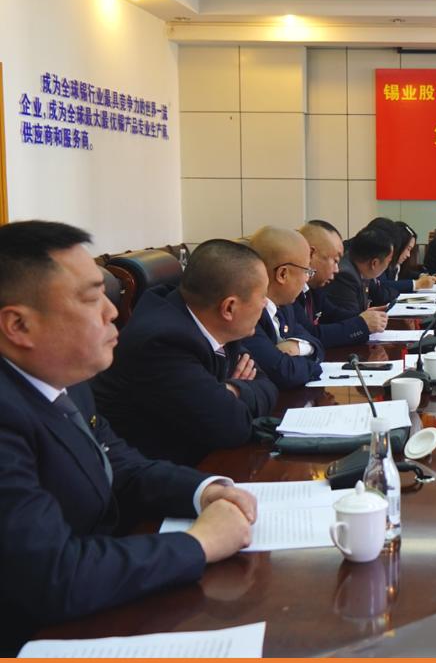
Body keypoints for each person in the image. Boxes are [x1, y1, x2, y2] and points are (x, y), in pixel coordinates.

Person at [0, 221, 255, 653]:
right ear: (18, 325)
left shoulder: (68, 381)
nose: (112, 312)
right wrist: (200, 543)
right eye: (91, 298)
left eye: (107, 294)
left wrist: (202, 490)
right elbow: (52, 575)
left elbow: (116, 462)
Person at [93, 239, 278, 466]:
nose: (265, 304)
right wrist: (232, 394)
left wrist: (233, 390)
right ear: (229, 307)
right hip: (153, 475)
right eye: (262, 296)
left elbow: (268, 384)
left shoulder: (214, 323)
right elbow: (232, 428)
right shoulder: (162, 342)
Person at [242, 226, 325, 389]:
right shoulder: (247, 312)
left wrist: (297, 347)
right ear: (282, 274)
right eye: (306, 271)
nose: (307, 279)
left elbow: (316, 343)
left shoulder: (286, 305)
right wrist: (313, 367)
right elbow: (283, 373)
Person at [294, 220, 386, 346]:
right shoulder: (289, 291)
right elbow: (309, 336)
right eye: (335, 261)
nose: (337, 269)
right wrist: (361, 324)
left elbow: (332, 314)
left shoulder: (314, 287)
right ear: (311, 254)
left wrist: (364, 316)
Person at [366, 219, 436, 303]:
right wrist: (416, 284)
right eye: (408, 249)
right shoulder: (381, 262)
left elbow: (404, 274)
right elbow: (381, 286)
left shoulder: (396, 265)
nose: (408, 255)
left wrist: (422, 276)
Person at [324, 226, 394, 316]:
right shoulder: (346, 276)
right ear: (374, 263)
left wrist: (366, 315)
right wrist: (364, 318)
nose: (388, 265)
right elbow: (349, 319)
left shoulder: (359, 269)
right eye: (389, 261)